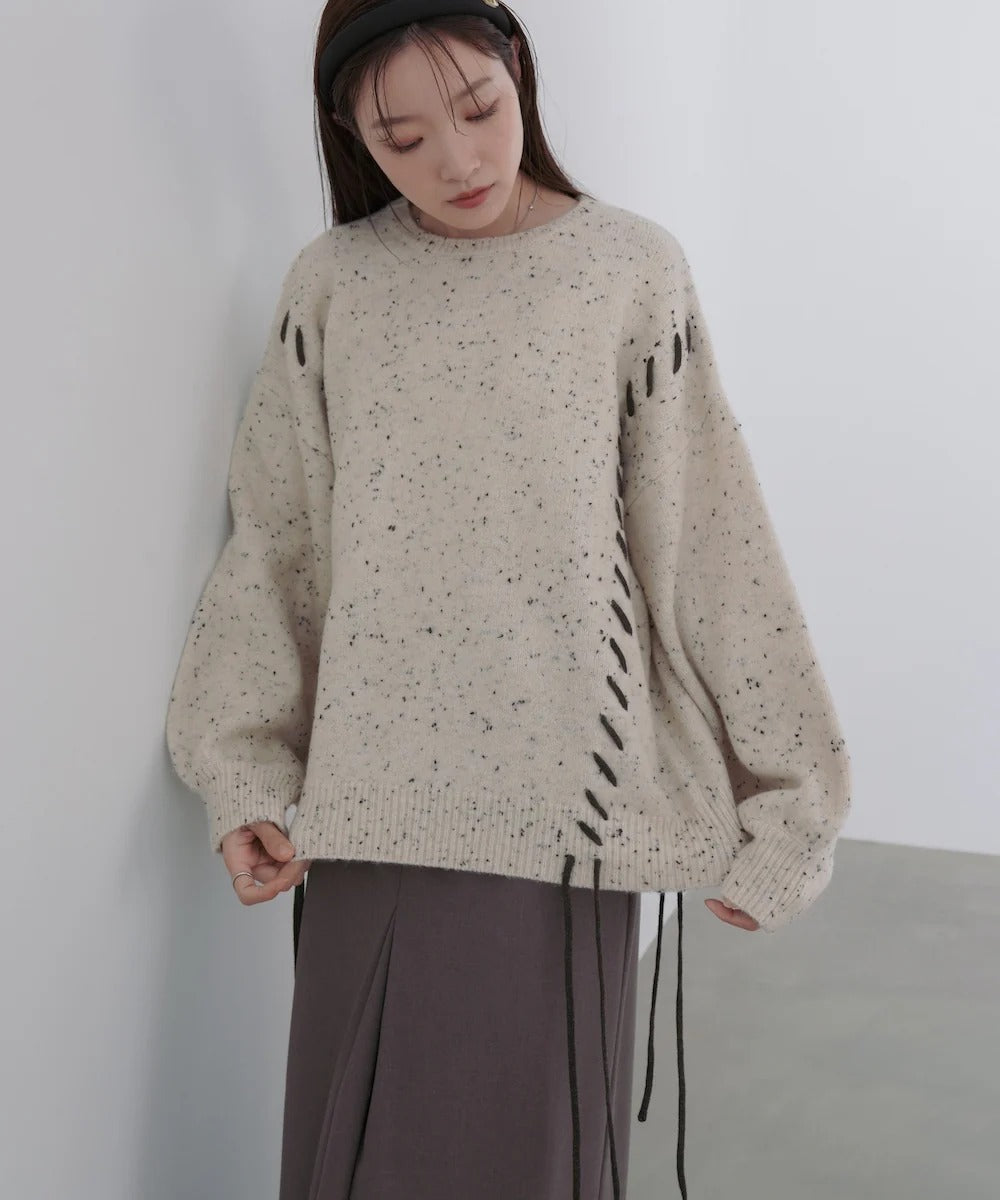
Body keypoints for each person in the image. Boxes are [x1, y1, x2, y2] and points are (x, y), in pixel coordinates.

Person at [164, 2, 853, 1197]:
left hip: (566, 826)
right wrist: (244, 773)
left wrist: (796, 803)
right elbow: (277, 547)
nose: (457, 160)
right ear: (351, 134)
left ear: (518, 70)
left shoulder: (629, 271)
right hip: (368, 819)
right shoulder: (334, 287)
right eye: (403, 138)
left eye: (477, 109)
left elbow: (710, 543)